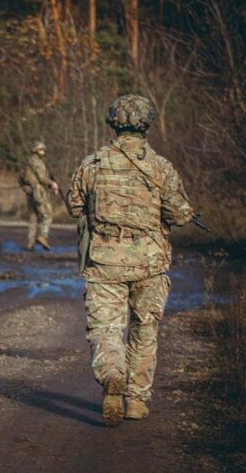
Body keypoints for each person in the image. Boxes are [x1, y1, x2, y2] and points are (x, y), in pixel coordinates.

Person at [67, 95, 194, 427]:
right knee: (145, 329)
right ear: (147, 125)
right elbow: (179, 215)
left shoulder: (93, 163)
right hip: (149, 263)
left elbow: (75, 207)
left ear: (112, 122)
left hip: (105, 261)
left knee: (107, 328)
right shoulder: (161, 167)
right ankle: (137, 401)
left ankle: (112, 372)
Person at [20, 141, 61, 250]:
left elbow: (20, 178)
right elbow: (42, 178)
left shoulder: (27, 163)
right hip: (39, 192)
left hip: (30, 193)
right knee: (47, 215)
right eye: (41, 150)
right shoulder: (37, 162)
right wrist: (52, 183)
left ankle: (30, 244)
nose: (43, 152)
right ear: (36, 151)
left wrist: (25, 188)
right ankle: (43, 236)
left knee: (33, 218)